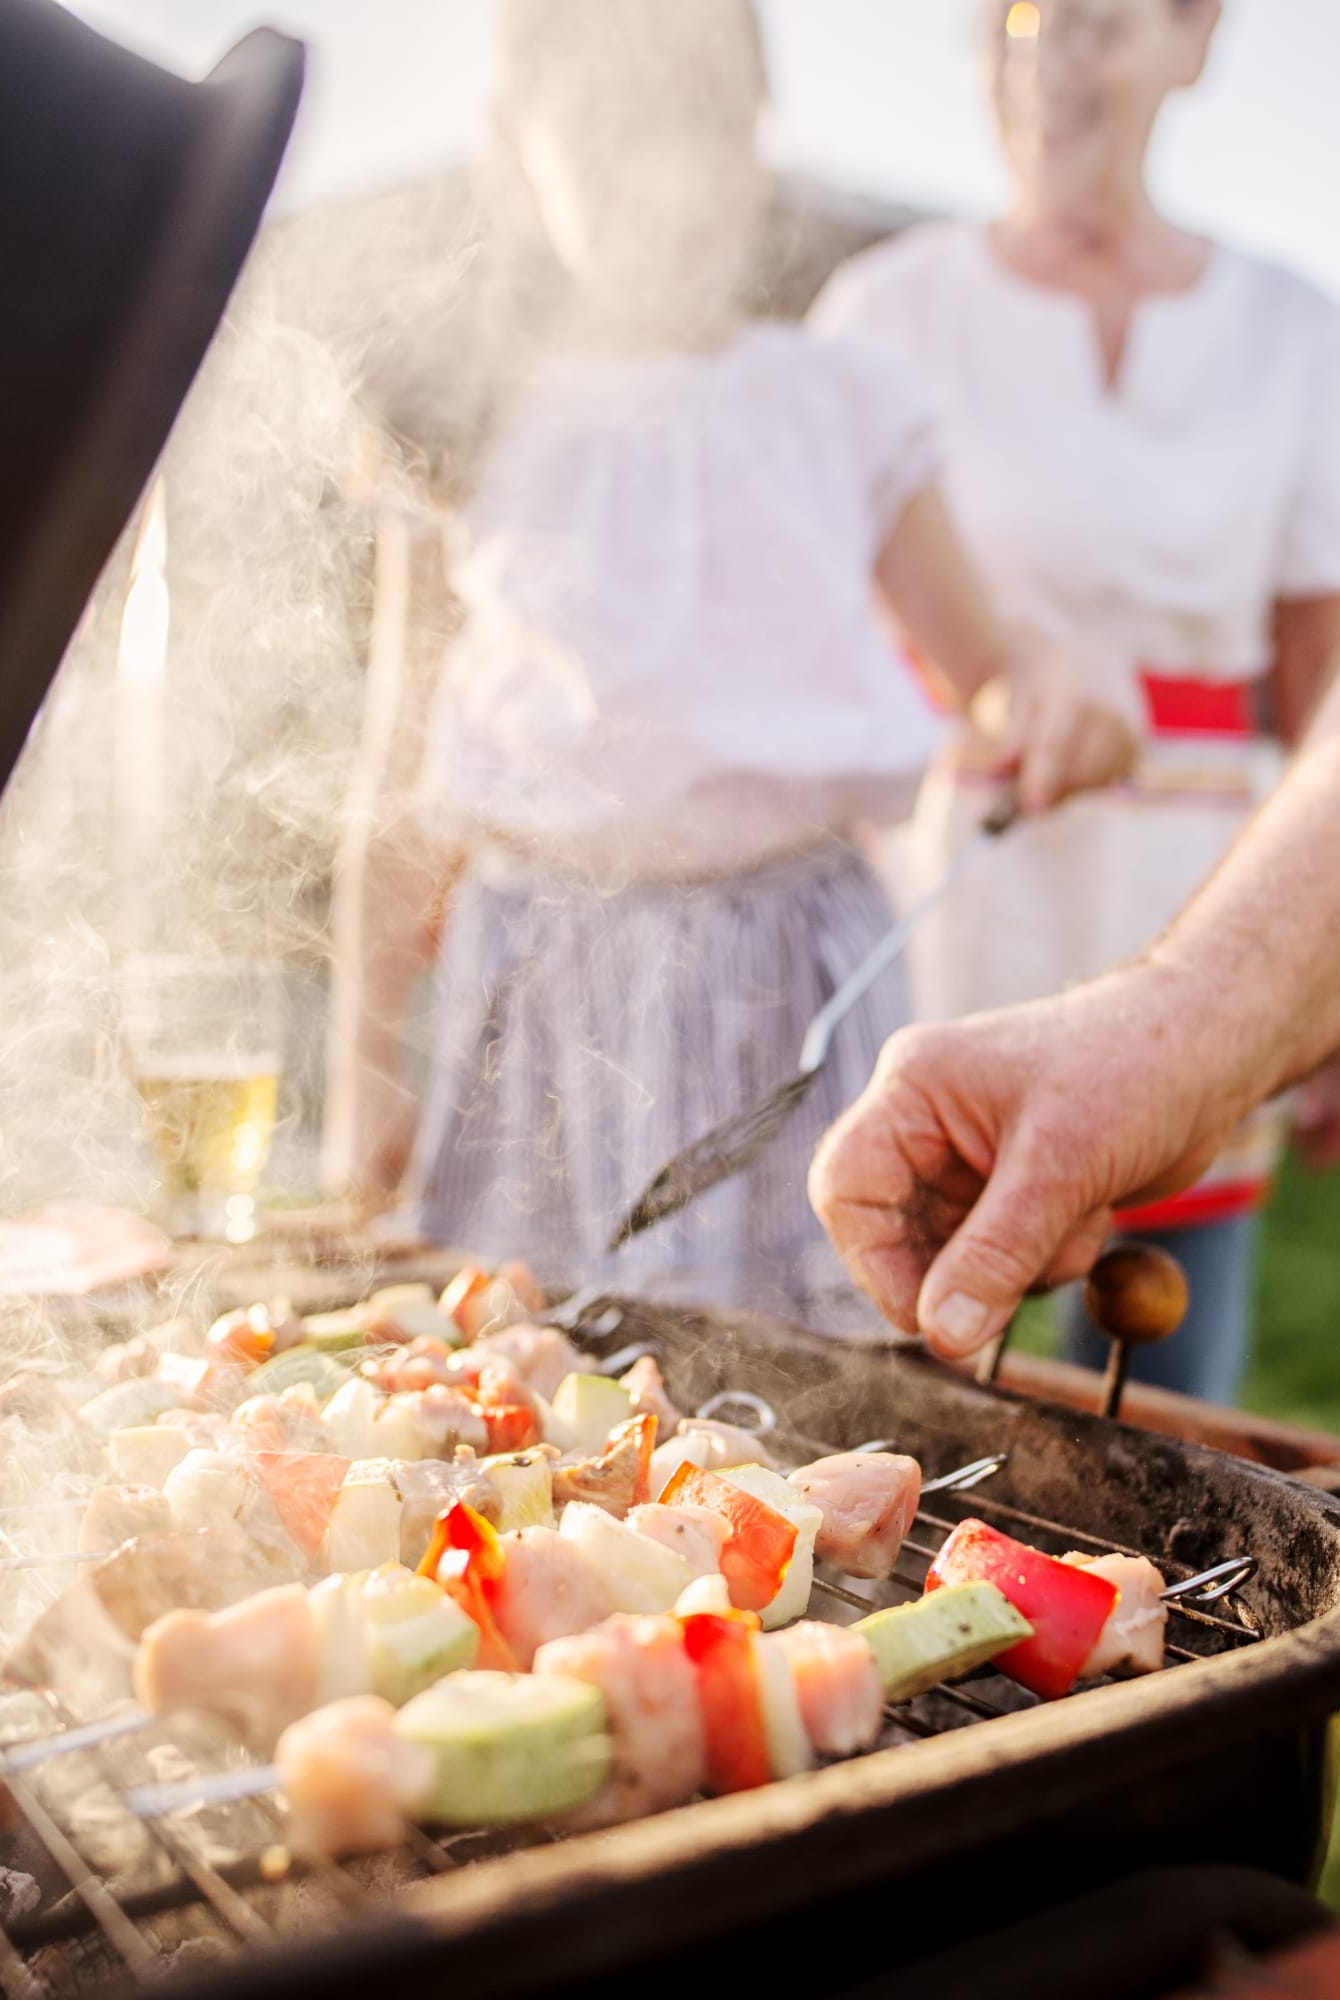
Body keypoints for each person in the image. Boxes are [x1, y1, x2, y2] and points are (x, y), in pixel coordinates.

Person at [323, 0, 1135, 1331]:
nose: (668, 179)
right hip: (544, 996)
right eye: (613, 126)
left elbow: (994, 667)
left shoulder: (838, 403)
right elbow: (394, 785)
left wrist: (1062, 695)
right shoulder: (470, 422)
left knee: (823, 1384)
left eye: (704, 123)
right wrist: (365, 1064)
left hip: (797, 983)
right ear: (518, 152)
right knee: (536, 1372)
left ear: (758, 141)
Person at [811, 0, 1340, 1396]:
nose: (1046, 55)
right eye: (1014, 20)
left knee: (1167, 1363)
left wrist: (1336, 1001)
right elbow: (829, 636)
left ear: (1194, 34)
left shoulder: (1293, 328)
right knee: (929, 1321)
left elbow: (1330, 672)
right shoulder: (884, 310)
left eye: (1096, 19)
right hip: (961, 876)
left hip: (1203, 889)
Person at [808, 550, 1340, 1364]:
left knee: (1166, 1316)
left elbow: (1325, 648)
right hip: (978, 857)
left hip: (1210, 854)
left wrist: (1222, 1014)